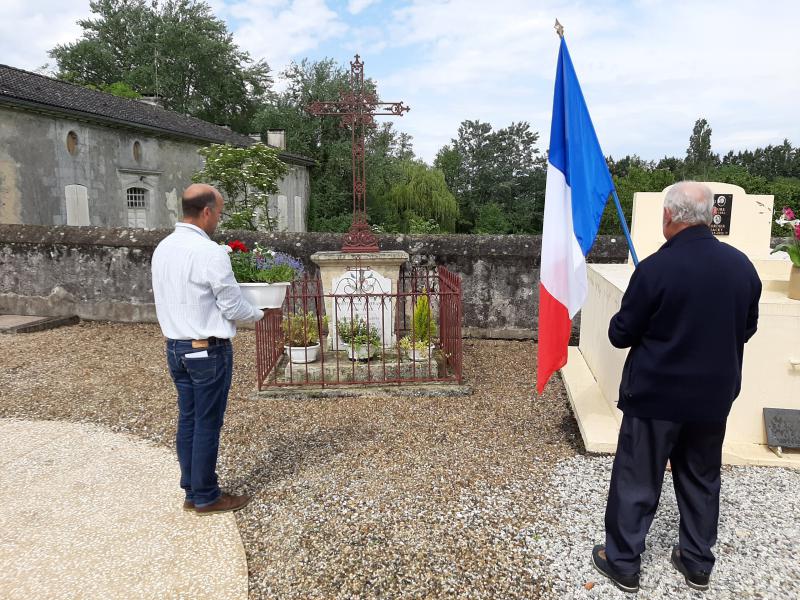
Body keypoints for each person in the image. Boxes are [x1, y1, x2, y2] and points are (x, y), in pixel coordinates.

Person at [591, 181, 761, 593]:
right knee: (701, 477)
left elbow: (621, 333)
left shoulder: (655, 269)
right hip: (712, 398)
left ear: (669, 216)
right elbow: (748, 328)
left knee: (638, 477)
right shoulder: (741, 267)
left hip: (655, 396)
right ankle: (697, 561)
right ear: (709, 218)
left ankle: (625, 563)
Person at [152, 183, 264, 515]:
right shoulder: (210, 253)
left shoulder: (164, 247)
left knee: (188, 418)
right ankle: (206, 495)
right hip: (206, 350)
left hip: (176, 348)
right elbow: (232, 307)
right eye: (218, 211)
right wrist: (263, 313)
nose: (218, 218)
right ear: (205, 212)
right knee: (207, 421)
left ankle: (191, 488)